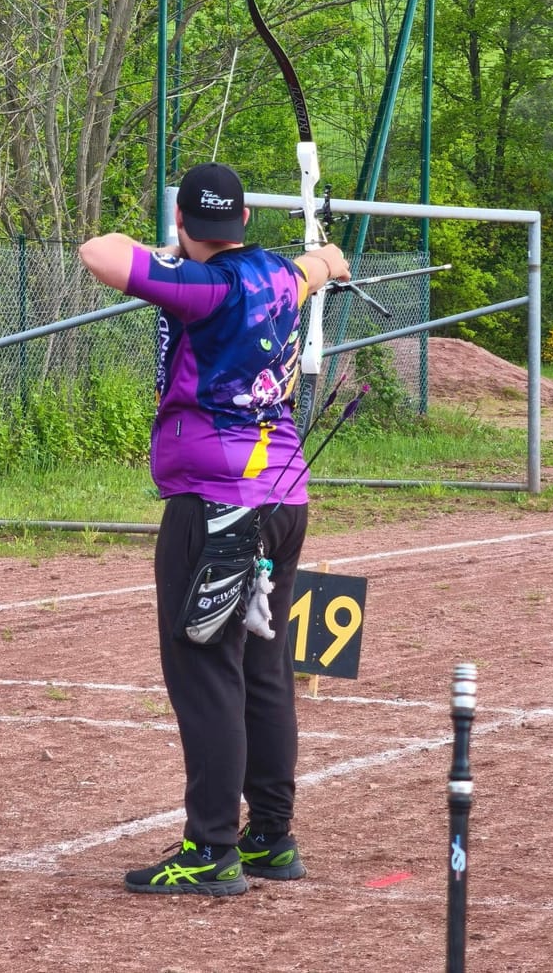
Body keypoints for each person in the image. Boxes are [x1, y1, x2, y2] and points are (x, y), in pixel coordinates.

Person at [79, 161, 350, 896]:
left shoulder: (201, 287)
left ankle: (211, 849)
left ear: (183, 224)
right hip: (283, 498)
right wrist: (317, 254)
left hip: (215, 501)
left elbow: (98, 251)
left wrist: (167, 259)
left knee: (206, 670)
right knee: (262, 668)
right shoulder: (279, 276)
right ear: (242, 223)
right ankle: (271, 834)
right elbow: (330, 261)